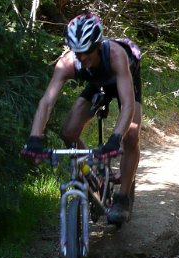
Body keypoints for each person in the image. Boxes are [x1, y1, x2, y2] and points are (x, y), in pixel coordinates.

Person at [22, 12, 142, 224]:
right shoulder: (68, 62)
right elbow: (47, 101)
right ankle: (93, 175)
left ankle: (122, 198)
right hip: (98, 83)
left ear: (98, 46)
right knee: (68, 132)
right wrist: (34, 138)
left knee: (131, 135)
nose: (82, 57)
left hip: (125, 81)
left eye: (86, 52)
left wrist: (115, 139)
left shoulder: (116, 55)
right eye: (77, 53)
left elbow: (128, 105)